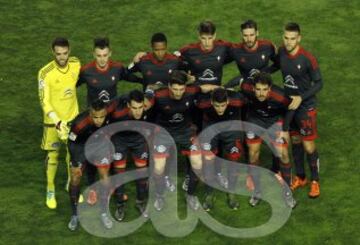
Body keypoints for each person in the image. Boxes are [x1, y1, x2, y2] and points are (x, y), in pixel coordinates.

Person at [77, 37, 140, 205]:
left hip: (111, 117)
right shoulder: (86, 70)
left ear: (110, 53)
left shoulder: (117, 68)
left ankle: (109, 183)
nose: (102, 59)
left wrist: (144, 79)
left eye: (105, 55)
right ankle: (92, 188)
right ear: (94, 54)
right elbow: (72, 85)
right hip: (93, 119)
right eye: (99, 55)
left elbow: (129, 75)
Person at [276, 23, 323, 198]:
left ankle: (315, 181)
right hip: (289, 106)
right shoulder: (281, 52)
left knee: (308, 145)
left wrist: (301, 98)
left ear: (299, 38)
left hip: (305, 107)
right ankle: (301, 177)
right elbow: (275, 65)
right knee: (295, 141)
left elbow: (319, 83)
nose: (289, 42)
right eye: (286, 38)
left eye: (292, 38)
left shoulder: (307, 58)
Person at [146, 70, 203, 211]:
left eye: (181, 89)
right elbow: (145, 103)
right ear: (169, 87)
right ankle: (160, 195)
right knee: (158, 168)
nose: (179, 93)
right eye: (175, 89)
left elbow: (205, 87)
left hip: (185, 131)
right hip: (163, 133)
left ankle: (190, 195)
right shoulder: (159, 96)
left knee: (198, 164)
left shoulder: (191, 91)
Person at [241, 72, 296, 208]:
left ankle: (287, 193)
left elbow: (291, 108)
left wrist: (285, 128)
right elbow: (240, 80)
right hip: (254, 121)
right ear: (252, 88)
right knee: (253, 154)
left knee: (283, 154)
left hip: (274, 122)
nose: (261, 93)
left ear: (270, 88)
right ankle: (257, 191)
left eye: (265, 90)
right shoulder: (245, 87)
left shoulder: (280, 96)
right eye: (258, 89)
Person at [38, 37, 81, 209]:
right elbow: (44, 101)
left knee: (72, 155)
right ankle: (50, 189)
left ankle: (71, 184)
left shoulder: (76, 63)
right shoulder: (45, 73)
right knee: (53, 156)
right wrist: (57, 121)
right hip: (53, 123)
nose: (62, 57)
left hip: (72, 121)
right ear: (53, 52)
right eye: (58, 54)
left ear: (69, 51)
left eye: (64, 53)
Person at [196, 88, 246, 211]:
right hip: (211, 128)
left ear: (228, 101)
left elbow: (248, 105)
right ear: (211, 102)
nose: (220, 109)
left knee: (233, 160)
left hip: (231, 129)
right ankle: (209, 193)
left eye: (223, 105)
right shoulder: (202, 102)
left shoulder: (238, 100)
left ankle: (231, 192)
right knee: (208, 161)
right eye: (217, 106)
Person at [67, 99, 113, 231]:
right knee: (75, 177)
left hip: (100, 146)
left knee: (105, 178)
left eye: (102, 117)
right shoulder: (79, 124)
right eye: (95, 117)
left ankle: (104, 213)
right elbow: (71, 143)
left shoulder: (110, 115)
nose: (99, 120)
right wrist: (76, 162)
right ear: (89, 114)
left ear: (106, 113)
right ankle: (75, 214)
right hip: (81, 147)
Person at [105, 90, 149, 221]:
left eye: (140, 107)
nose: (138, 112)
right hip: (120, 140)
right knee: (119, 173)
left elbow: (153, 91)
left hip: (138, 139)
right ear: (128, 106)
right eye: (134, 108)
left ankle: (140, 202)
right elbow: (101, 115)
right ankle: (120, 205)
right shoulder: (117, 112)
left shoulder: (148, 106)